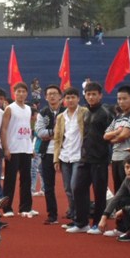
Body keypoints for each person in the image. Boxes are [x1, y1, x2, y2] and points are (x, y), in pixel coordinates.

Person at [67, 82, 114, 234]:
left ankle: (97, 224)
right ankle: (81, 223)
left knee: (99, 192)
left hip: (100, 159)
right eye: (88, 94)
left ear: (100, 95)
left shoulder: (105, 113)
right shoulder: (86, 112)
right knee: (78, 188)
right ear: (85, 96)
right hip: (85, 158)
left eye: (94, 94)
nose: (91, 97)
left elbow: (111, 136)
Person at [53, 87, 88, 225]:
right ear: (64, 100)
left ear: (78, 98)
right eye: (68, 97)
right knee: (68, 189)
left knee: (76, 187)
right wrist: (56, 158)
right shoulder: (61, 117)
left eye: (73, 97)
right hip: (65, 155)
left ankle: (80, 217)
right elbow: (57, 139)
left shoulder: (84, 112)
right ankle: (74, 215)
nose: (70, 100)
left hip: (79, 156)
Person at [0, 82, 35, 218]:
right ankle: (7, 208)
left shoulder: (28, 109)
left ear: (27, 93)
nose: (21, 94)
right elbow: (4, 128)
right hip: (13, 148)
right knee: (10, 180)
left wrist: (31, 146)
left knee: (27, 179)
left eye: (23, 91)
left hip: (25, 148)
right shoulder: (10, 108)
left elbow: (28, 129)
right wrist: (6, 148)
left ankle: (25, 207)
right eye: (18, 91)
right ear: (14, 93)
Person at [104, 85, 130, 193]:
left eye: (124, 98)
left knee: (129, 191)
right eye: (119, 99)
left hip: (128, 158)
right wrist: (117, 132)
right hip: (115, 158)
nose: (121, 102)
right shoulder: (117, 117)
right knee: (118, 190)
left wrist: (113, 139)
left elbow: (124, 134)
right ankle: (119, 209)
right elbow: (105, 136)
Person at [35, 85, 64, 224]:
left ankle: (75, 212)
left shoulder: (67, 111)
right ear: (45, 97)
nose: (52, 96)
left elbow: (70, 132)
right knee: (48, 186)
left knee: (72, 185)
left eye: (55, 93)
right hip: (47, 153)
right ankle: (52, 214)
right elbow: (40, 133)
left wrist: (51, 134)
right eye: (49, 94)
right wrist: (56, 132)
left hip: (66, 152)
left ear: (60, 96)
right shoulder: (43, 113)